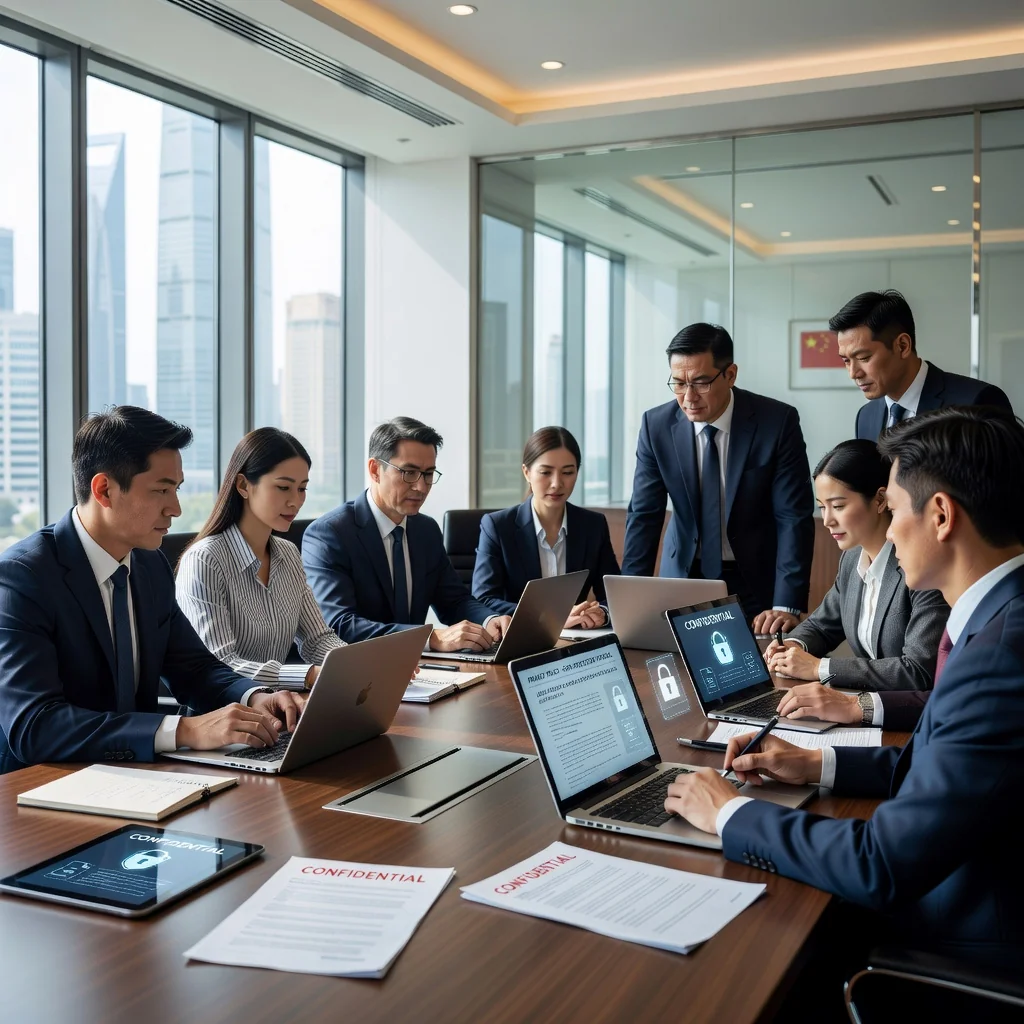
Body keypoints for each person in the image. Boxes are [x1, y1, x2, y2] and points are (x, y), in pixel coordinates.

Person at [664, 406, 1024, 970]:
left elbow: (880, 865)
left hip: (965, 940)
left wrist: (730, 813)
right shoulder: (997, 617)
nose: (890, 526)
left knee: (750, 952)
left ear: (940, 515)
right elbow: (944, 768)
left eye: (896, 506)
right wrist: (814, 764)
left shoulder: (1001, 654)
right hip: (962, 884)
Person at [0, 407, 305, 774]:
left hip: (138, 776)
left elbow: (192, 666)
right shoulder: (23, 577)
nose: (174, 508)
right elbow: (34, 726)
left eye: (176, 489)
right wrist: (184, 729)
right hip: (41, 788)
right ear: (104, 490)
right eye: (161, 490)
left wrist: (254, 696)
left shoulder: (149, 564)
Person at [622, 322, 815, 633]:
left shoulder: (776, 423)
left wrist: (786, 604)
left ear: (730, 374)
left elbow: (793, 516)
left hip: (754, 584)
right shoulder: (655, 426)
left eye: (700, 382)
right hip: (681, 580)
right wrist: (628, 600)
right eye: (678, 383)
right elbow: (644, 516)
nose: (688, 397)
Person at [303, 417, 512, 650]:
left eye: (428, 474)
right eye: (409, 473)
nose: (421, 487)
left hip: (421, 671)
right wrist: (430, 638)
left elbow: (454, 600)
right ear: (375, 470)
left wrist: (490, 619)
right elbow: (340, 625)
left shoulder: (426, 530)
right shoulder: (329, 534)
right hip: (361, 673)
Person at [765, 439, 948, 692]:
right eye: (822, 507)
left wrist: (819, 668)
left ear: (880, 500)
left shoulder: (920, 565)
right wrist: (794, 646)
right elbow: (821, 625)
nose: (827, 520)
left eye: (838, 506)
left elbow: (918, 671)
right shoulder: (852, 559)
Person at [177, 428, 344, 689]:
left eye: (302, 489)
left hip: (280, 710)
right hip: (223, 717)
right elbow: (220, 663)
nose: (296, 501)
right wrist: (306, 676)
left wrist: (356, 664)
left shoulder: (288, 554)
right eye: (283, 487)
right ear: (243, 485)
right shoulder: (205, 560)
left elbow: (317, 639)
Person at [473, 426, 620, 627]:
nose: (556, 483)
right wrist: (552, 617)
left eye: (568, 472)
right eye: (545, 472)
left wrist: (601, 612)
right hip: (521, 638)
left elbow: (614, 594)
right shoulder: (498, 526)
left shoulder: (593, 525)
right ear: (527, 472)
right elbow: (484, 598)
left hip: (576, 641)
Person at [832, 289, 1012, 440]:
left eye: (863, 358)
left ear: (902, 346)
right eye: (846, 361)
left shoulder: (976, 403)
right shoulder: (865, 417)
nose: (853, 373)